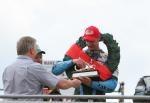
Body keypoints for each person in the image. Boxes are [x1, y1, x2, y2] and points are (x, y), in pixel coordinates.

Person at [52, 26, 120, 102]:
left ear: (98, 39)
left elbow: (112, 85)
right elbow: (55, 70)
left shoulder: (107, 58)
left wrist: (90, 83)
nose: (89, 43)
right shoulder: (78, 55)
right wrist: (73, 61)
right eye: (87, 40)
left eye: (92, 41)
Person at [2, 36, 81, 99]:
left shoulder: (7, 68)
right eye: (36, 50)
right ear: (32, 51)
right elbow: (61, 84)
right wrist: (73, 83)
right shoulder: (34, 67)